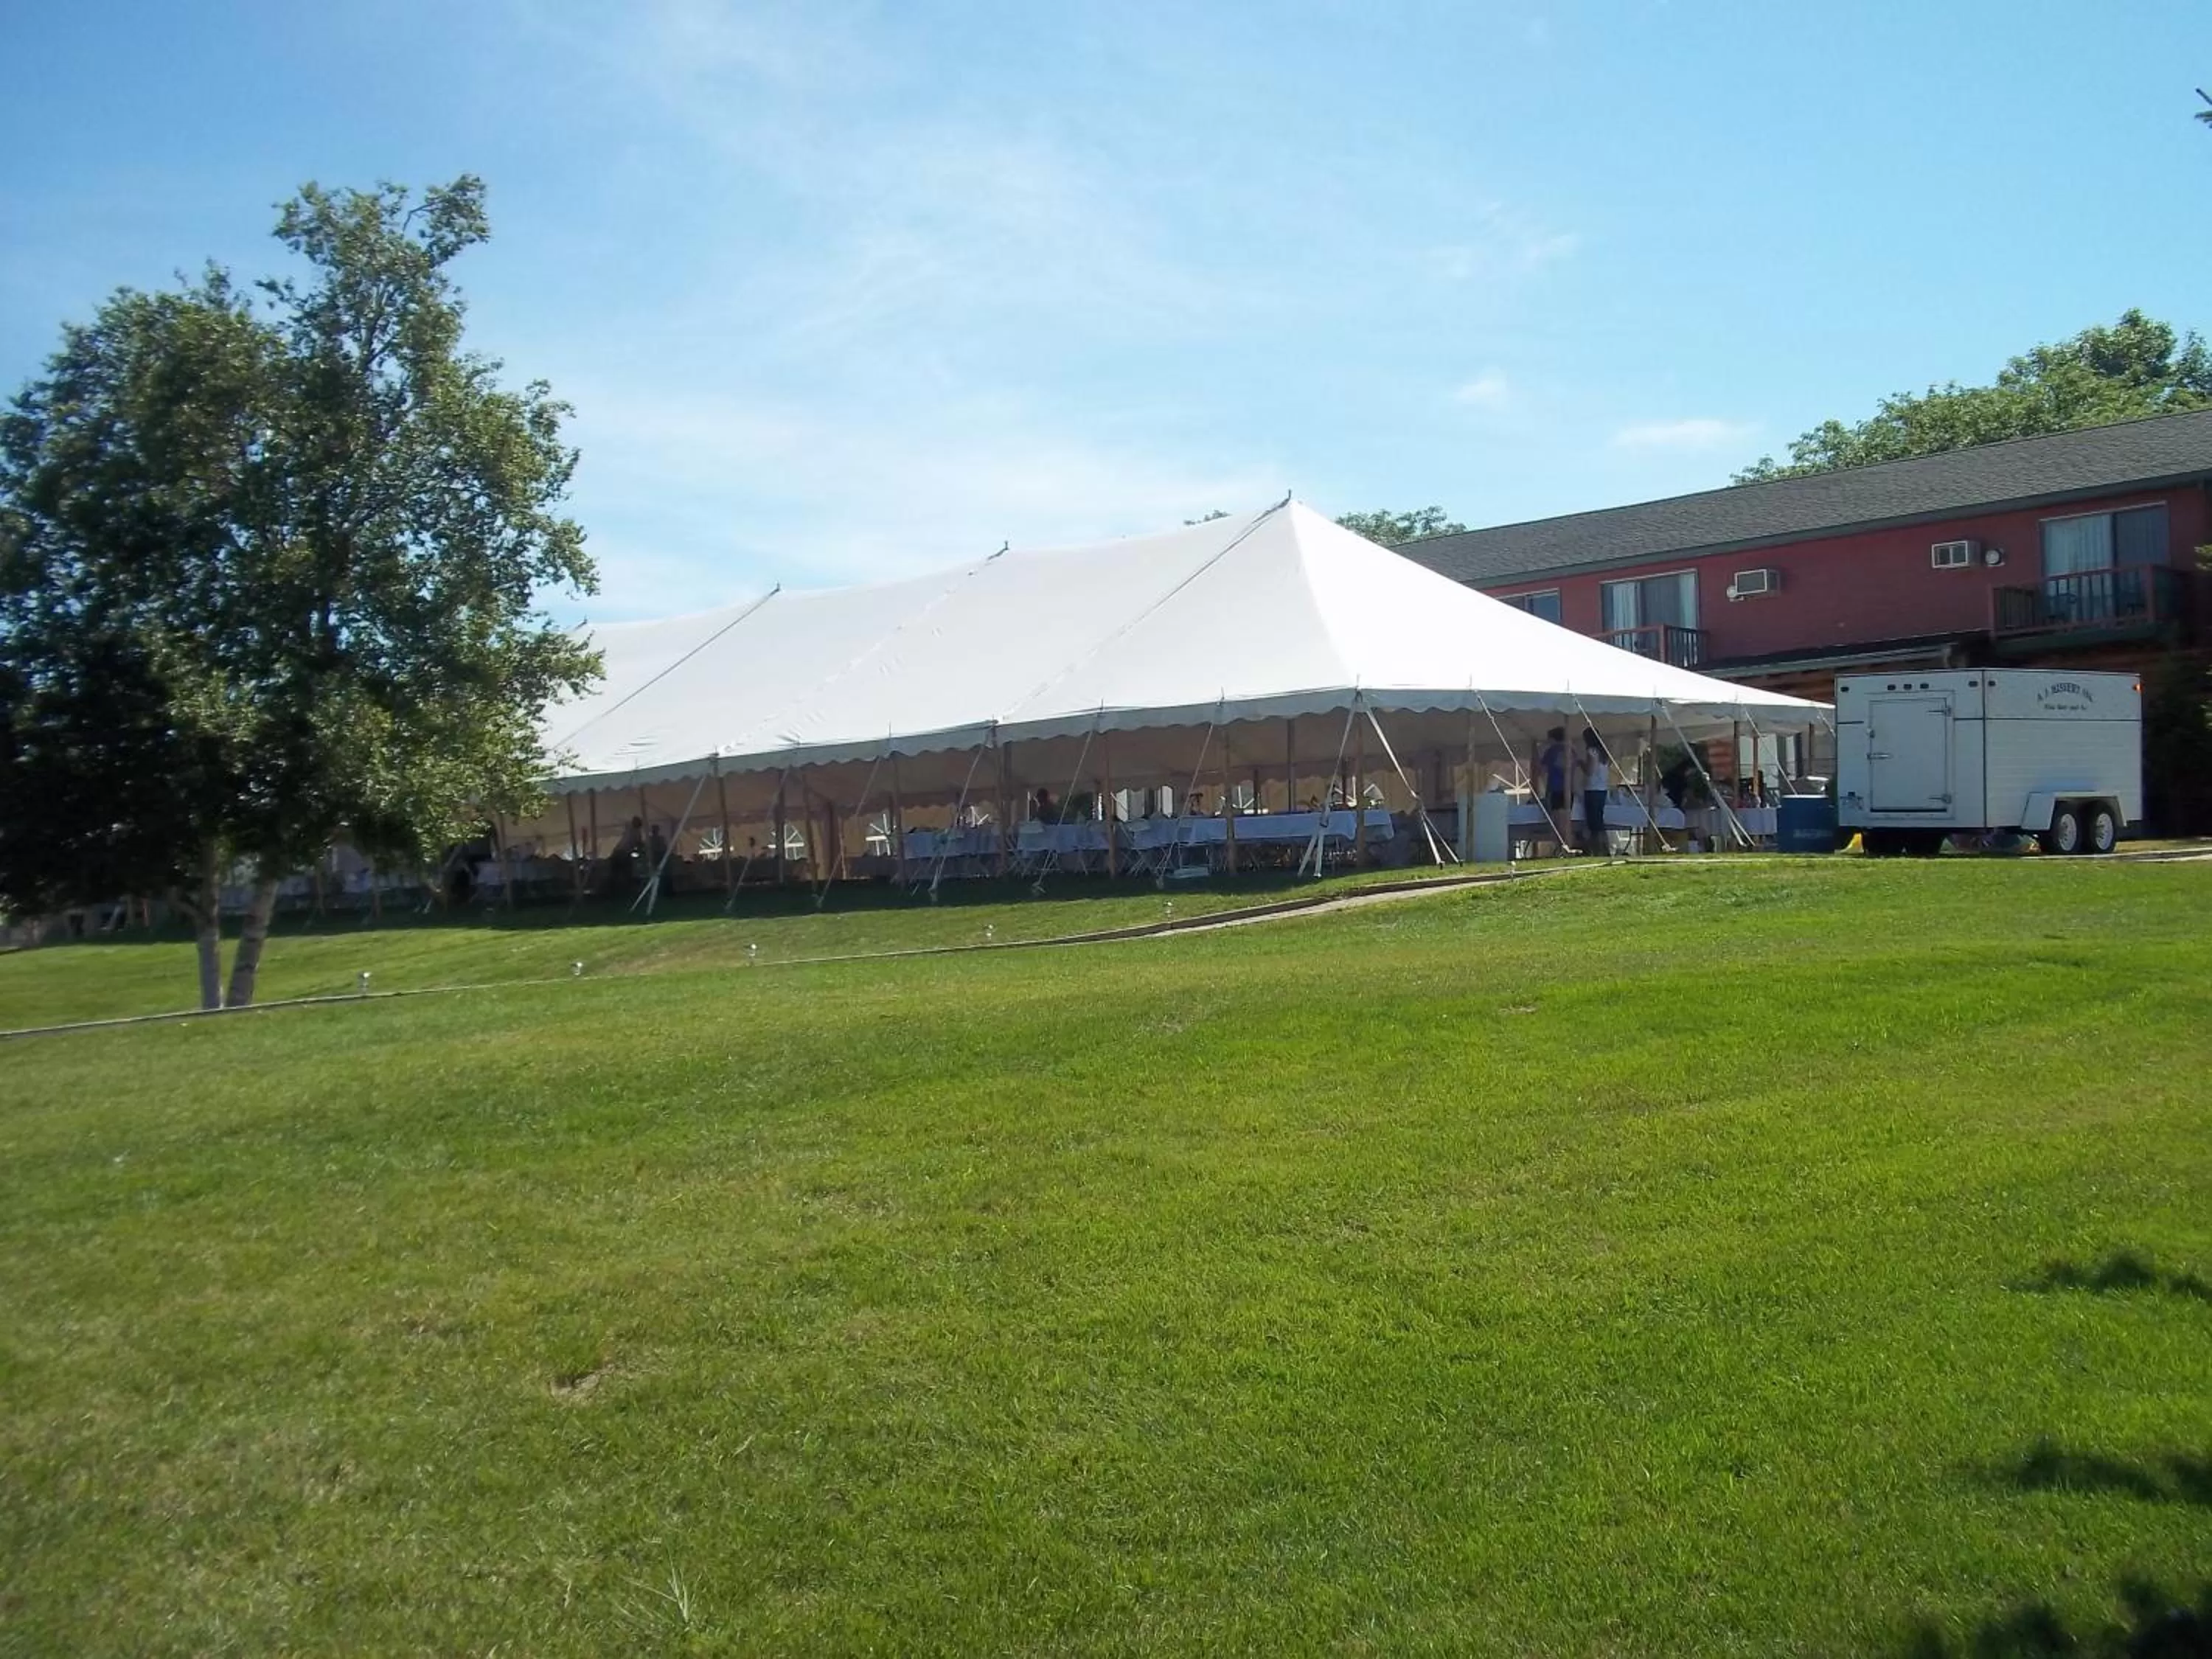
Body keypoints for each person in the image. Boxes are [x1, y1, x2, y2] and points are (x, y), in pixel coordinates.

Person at [1580, 728, 1612, 856]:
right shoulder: (1604, 752)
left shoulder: (1591, 751)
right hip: (1602, 788)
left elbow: (1590, 771)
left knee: (1593, 823)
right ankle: (1604, 848)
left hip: (1592, 788)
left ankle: (1597, 849)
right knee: (1599, 820)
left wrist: (1581, 764)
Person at [1537, 726, 1570, 846]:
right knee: (1566, 820)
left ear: (1552, 739)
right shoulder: (1571, 750)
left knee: (1557, 821)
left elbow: (1542, 771)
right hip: (1568, 789)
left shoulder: (1551, 751)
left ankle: (1561, 847)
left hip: (1555, 788)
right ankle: (1567, 844)